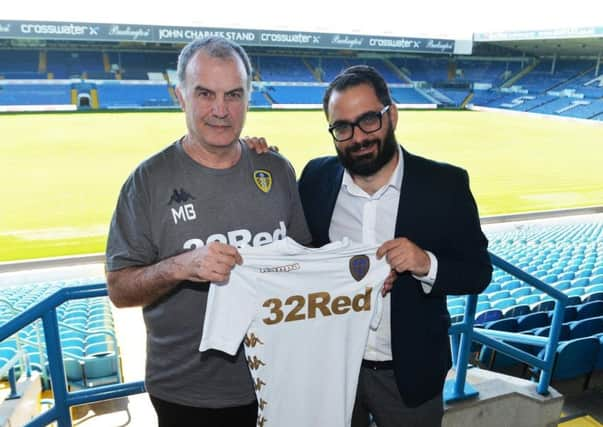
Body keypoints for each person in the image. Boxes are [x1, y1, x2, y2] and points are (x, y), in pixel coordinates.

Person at [105, 36, 311, 427]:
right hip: (187, 396)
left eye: (234, 94)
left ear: (250, 97)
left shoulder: (277, 170)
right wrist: (181, 266)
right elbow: (119, 290)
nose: (221, 110)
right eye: (205, 94)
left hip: (277, 381)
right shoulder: (147, 182)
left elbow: (302, 263)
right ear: (180, 95)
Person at [297, 65, 493, 427]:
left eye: (369, 119)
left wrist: (426, 264)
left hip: (409, 376)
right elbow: (296, 255)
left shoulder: (445, 184)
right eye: (342, 127)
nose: (358, 137)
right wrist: (256, 157)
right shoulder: (314, 178)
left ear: (392, 115)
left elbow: (478, 271)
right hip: (335, 370)